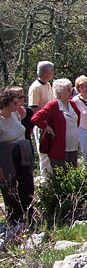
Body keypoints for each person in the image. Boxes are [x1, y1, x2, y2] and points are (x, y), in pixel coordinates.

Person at [0, 89, 34, 225]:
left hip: (22, 156)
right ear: (5, 104)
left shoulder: (15, 115)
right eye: (14, 102)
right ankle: (14, 219)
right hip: (8, 158)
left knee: (27, 186)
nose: (17, 104)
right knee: (11, 189)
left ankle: (29, 217)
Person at [32, 79, 81, 170]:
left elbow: (77, 119)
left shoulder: (72, 104)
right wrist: (48, 128)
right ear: (59, 93)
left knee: (72, 173)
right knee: (61, 174)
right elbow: (35, 118)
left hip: (73, 145)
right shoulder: (53, 106)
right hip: (59, 147)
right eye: (67, 89)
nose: (71, 91)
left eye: (70, 88)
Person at [28, 61, 54, 178]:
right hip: (41, 126)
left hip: (50, 125)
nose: (53, 73)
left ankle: (52, 179)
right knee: (44, 153)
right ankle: (45, 183)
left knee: (51, 154)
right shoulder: (35, 87)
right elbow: (34, 108)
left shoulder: (48, 85)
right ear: (46, 72)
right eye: (52, 71)